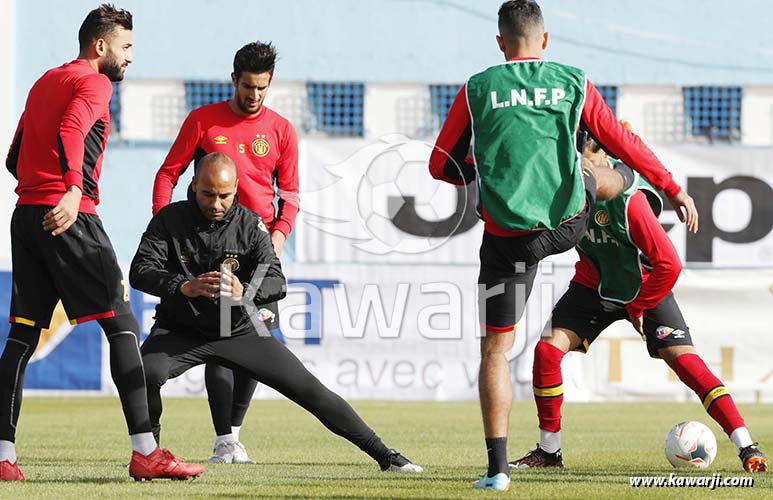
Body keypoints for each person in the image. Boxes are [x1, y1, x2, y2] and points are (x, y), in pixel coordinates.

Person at [428, 0, 699, 491]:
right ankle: (635, 191)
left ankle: (497, 472)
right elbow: (621, 138)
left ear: (499, 43)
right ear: (545, 40)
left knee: (495, 350)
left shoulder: (477, 88)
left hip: (509, 243)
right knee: (598, 173)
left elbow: (440, 164)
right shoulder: (573, 80)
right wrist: (673, 187)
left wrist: (476, 172)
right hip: (570, 224)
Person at [0, 4, 203, 481]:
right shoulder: (95, 82)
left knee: (21, 337)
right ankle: (146, 452)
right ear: (100, 46)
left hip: (26, 215)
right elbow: (72, 129)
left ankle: (3, 457)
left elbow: (14, 155)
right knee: (123, 324)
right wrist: (71, 189)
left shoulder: (45, 79)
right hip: (70, 214)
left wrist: (40, 188)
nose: (131, 56)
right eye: (126, 46)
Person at [131, 152, 423, 474]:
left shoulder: (251, 224)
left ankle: (386, 456)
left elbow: (276, 279)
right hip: (179, 330)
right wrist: (182, 285)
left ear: (237, 188)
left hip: (238, 329)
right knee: (142, 374)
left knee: (310, 390)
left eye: (224, 195)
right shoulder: (169, 219)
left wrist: (246, 291)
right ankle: (150, 456)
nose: (216, 203)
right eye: (207, 194)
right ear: (194, 184)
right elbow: (140, 270)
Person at [510, 133, 768, 474]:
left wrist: (639, 307)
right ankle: (548, 452)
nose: (575, 166)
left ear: (603, 157)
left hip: (645, 287)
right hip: (592, 286)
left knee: (686, 364)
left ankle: (746, 446)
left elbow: (669, 264)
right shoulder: (563, 192)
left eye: (582, 157)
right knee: (546, 352)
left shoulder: (630, 202)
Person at [152, 41, 299, 464]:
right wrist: (165, 224)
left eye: (262, 88)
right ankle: (224, 438)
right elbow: (169, 172)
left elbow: (289, 194)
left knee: (252, 339)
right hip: (210, 247)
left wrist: (279, 235)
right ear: (234, 79)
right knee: (223, 334)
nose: (254, 96)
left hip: (259, 250)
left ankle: (231, 435)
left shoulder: (282, 130)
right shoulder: (202, 121)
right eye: (248, 86)